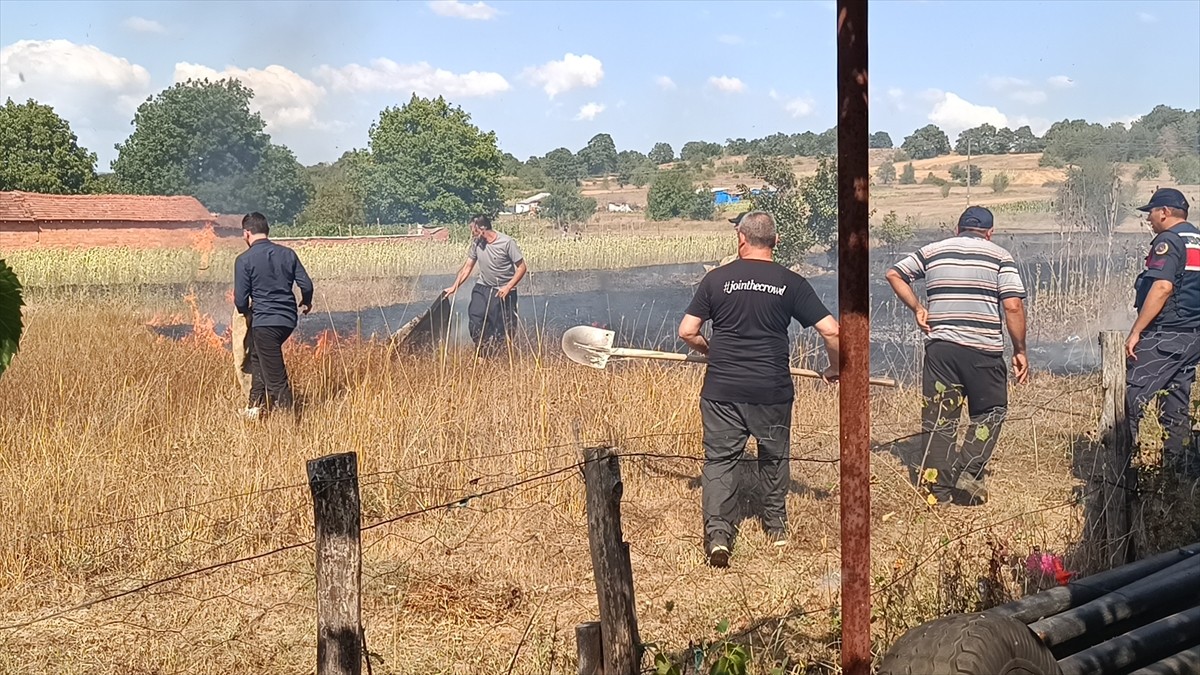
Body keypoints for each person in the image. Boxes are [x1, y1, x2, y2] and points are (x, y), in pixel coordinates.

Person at [678, 210, 840, 568]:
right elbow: (832, 331)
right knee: (774, 455)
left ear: (741, 239)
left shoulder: (716, 280)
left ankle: (719, 535)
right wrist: (836, 367)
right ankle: (776, 527)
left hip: (722, 389)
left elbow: (687, 331)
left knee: (720, 461)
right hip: (771, 389)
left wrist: (711, 350)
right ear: (776, 242)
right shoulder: (791, 283)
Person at [886, 205, 1029, 506]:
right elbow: (1013, 306)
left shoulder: (933, 250)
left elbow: (894, 274)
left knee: (939, 420)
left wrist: (918, 308)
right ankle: (968, 471)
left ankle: (938, 492)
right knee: (990, 412)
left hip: (941, 352)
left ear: (957, 228)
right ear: (989, 233)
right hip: (983, 352)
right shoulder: (1000, 256)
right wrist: (1019, 350)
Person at [1125, 188, 1200, 477]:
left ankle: (1120, 472)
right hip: (1192, 337)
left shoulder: (1168, 241)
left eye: (1151, 213)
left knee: (1128, 399)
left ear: (1164, 212)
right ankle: (1179, 475)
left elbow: (1162, 287)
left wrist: (1136, 331)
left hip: (1167, 335)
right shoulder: (1196, 239)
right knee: (1176, 403)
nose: (1149, 220)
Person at [233, 212, 313, 419]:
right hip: (287, 320)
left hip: (265, 322)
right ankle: (254, 407)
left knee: (276, 377)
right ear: (266, 231)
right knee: (259, 358)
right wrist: (306, 302)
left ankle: (290, 420)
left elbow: (241, 300)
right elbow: (306, 285)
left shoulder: (244, 260)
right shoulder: (288, 254)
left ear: (246, 233)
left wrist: (245, 313)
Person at [444, 214, 528, 354]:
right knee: (475, 318)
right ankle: (483, 351)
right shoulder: (477, 243)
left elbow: (522, 267)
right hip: (483, 287)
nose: (471, 232)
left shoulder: (506, 242)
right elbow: (467, 267)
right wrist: (454, 287)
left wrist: (508, 287)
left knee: (501, 328)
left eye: (473, 229)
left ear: (482, 228)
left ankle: (498, 356)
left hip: (502, 290)